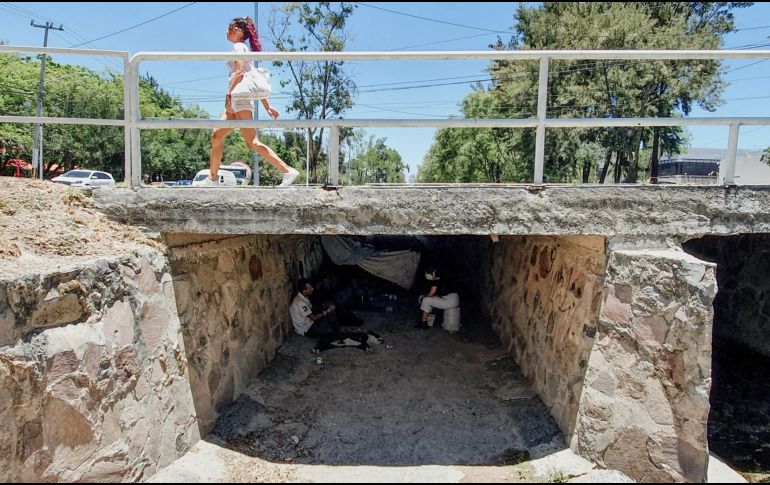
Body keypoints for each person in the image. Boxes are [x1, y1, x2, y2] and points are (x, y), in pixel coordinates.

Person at [203, 16, 300, 187]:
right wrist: (267, 106)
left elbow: (240, 72)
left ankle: (287, 170)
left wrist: (228, 94)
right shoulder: (241, 47)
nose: (226, 30)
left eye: (229, 27)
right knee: (216, 135)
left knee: (252, 142)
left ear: (238, 31)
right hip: (237, 100)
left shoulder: (238, 46)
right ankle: (212, 179)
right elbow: (252, 78)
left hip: (239, 100)